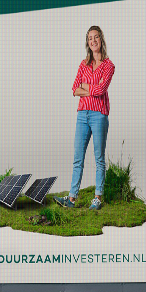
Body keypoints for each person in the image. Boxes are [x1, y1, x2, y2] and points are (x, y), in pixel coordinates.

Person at [55, 26, 114, 210]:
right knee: (78, 158)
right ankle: (71, 199)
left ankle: (97, 198)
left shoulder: (109, 65)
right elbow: (74, 89)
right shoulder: (83, 64)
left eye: (96, 37)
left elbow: (101, 90)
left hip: (99, 115)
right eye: (90, 38)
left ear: (101, 40)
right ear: (87, 42)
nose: (93, 41)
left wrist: (85, 86)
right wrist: (91, 87)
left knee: (99, 159)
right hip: (82, 115)